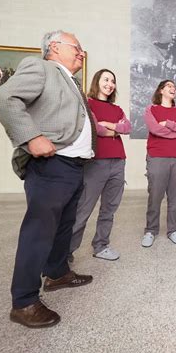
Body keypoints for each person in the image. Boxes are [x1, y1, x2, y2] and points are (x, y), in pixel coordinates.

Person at [0, 30, 94, 328]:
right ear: (54, 47)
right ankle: (23, 302)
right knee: (39, 231)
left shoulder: (70, 80)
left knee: (64, 226)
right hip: (51, 165)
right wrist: (31, 137)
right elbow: (4, 97)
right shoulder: (41, 67)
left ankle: (57, 273)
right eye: (77, 47)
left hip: (73, 167)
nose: (81, 53)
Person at [69, 69, 132, 262]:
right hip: (96, 162)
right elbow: (95, 128)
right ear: (97, 81)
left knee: (109, 208)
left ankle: (101, 245)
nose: (110, 84)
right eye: (106, 79)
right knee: (84, 209)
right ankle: (65, 251)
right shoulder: (88, 104)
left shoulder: (117, 109)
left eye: (112, 81)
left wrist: (110, 126)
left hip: (118, 161)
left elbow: (127, 127)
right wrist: (114, 129)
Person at [141, 80, 176, 247]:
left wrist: (168, 124)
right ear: (161, 90)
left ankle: (173, 230)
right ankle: (150, 230)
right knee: (155, 195)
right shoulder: (151, 109)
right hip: (157, 156)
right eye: (169, 86)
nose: (173, 88)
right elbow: (155, 129)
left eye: (174, 87)